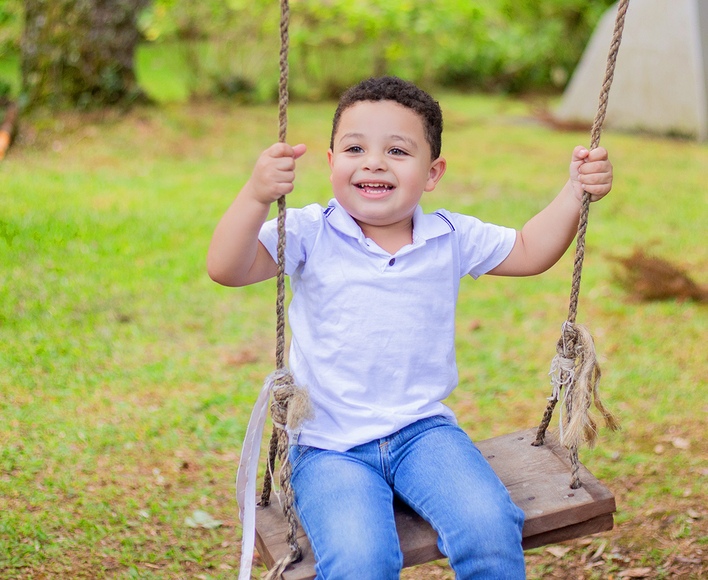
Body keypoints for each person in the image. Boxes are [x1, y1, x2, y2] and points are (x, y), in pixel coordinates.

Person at [207, 76, 613, 580]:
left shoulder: (450, 236)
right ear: (332, 163)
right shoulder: (310, 232)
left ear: (432, 172)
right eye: (356, 148)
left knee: (489, 525)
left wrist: (576, 190)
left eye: (397, 150)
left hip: (424, 434)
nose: (374, 162)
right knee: (362, 561)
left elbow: (530, 251)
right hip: (329, 447)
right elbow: (226, 267)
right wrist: (255, 195)